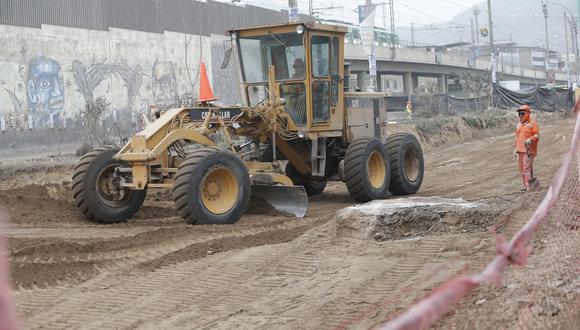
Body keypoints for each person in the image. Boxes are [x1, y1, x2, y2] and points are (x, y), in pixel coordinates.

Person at [513, 104, 540, 191]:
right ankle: (525, 185)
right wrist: (515, 148)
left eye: (522, 113)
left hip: (529, 150)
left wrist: (530, 139)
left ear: (527, 113)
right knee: (521, 169)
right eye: (519, 113)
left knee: (527, 168)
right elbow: (516, 138)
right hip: (519, 150)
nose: (520, 115)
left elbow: (537, 135)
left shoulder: (533, 124)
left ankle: (530, 186)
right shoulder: (518, 125)